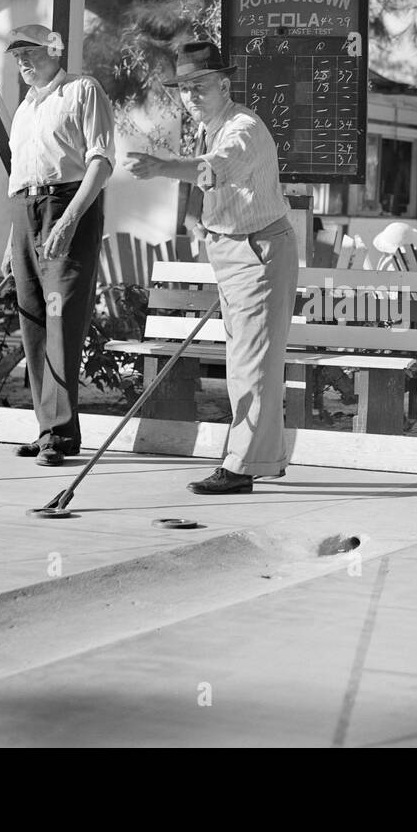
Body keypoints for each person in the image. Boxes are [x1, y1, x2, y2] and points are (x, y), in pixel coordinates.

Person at [124, 41, 298, 495]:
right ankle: (266, 459)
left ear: (224, 84)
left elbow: (212, 171)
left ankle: (241, 467)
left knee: (251, 365)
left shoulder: (243, 128)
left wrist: (161, 166)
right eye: (184, 89)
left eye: (200, 86)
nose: (191, 95)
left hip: (256, 249)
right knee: (250, 360)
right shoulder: (210, 127)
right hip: (235, 249)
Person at [2, 24, 115, 467]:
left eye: (30, 53)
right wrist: (13, 242)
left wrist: (69, 220)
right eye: (17, 57)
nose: (24, 63)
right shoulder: (24, 109)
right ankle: (52, 430)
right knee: (33, 320)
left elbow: (101, 162)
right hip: (24, 211)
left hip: (66, 205)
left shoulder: (82, 90)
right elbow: (19, 176)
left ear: (53, 49)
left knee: (60, 316)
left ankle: (58, 430)